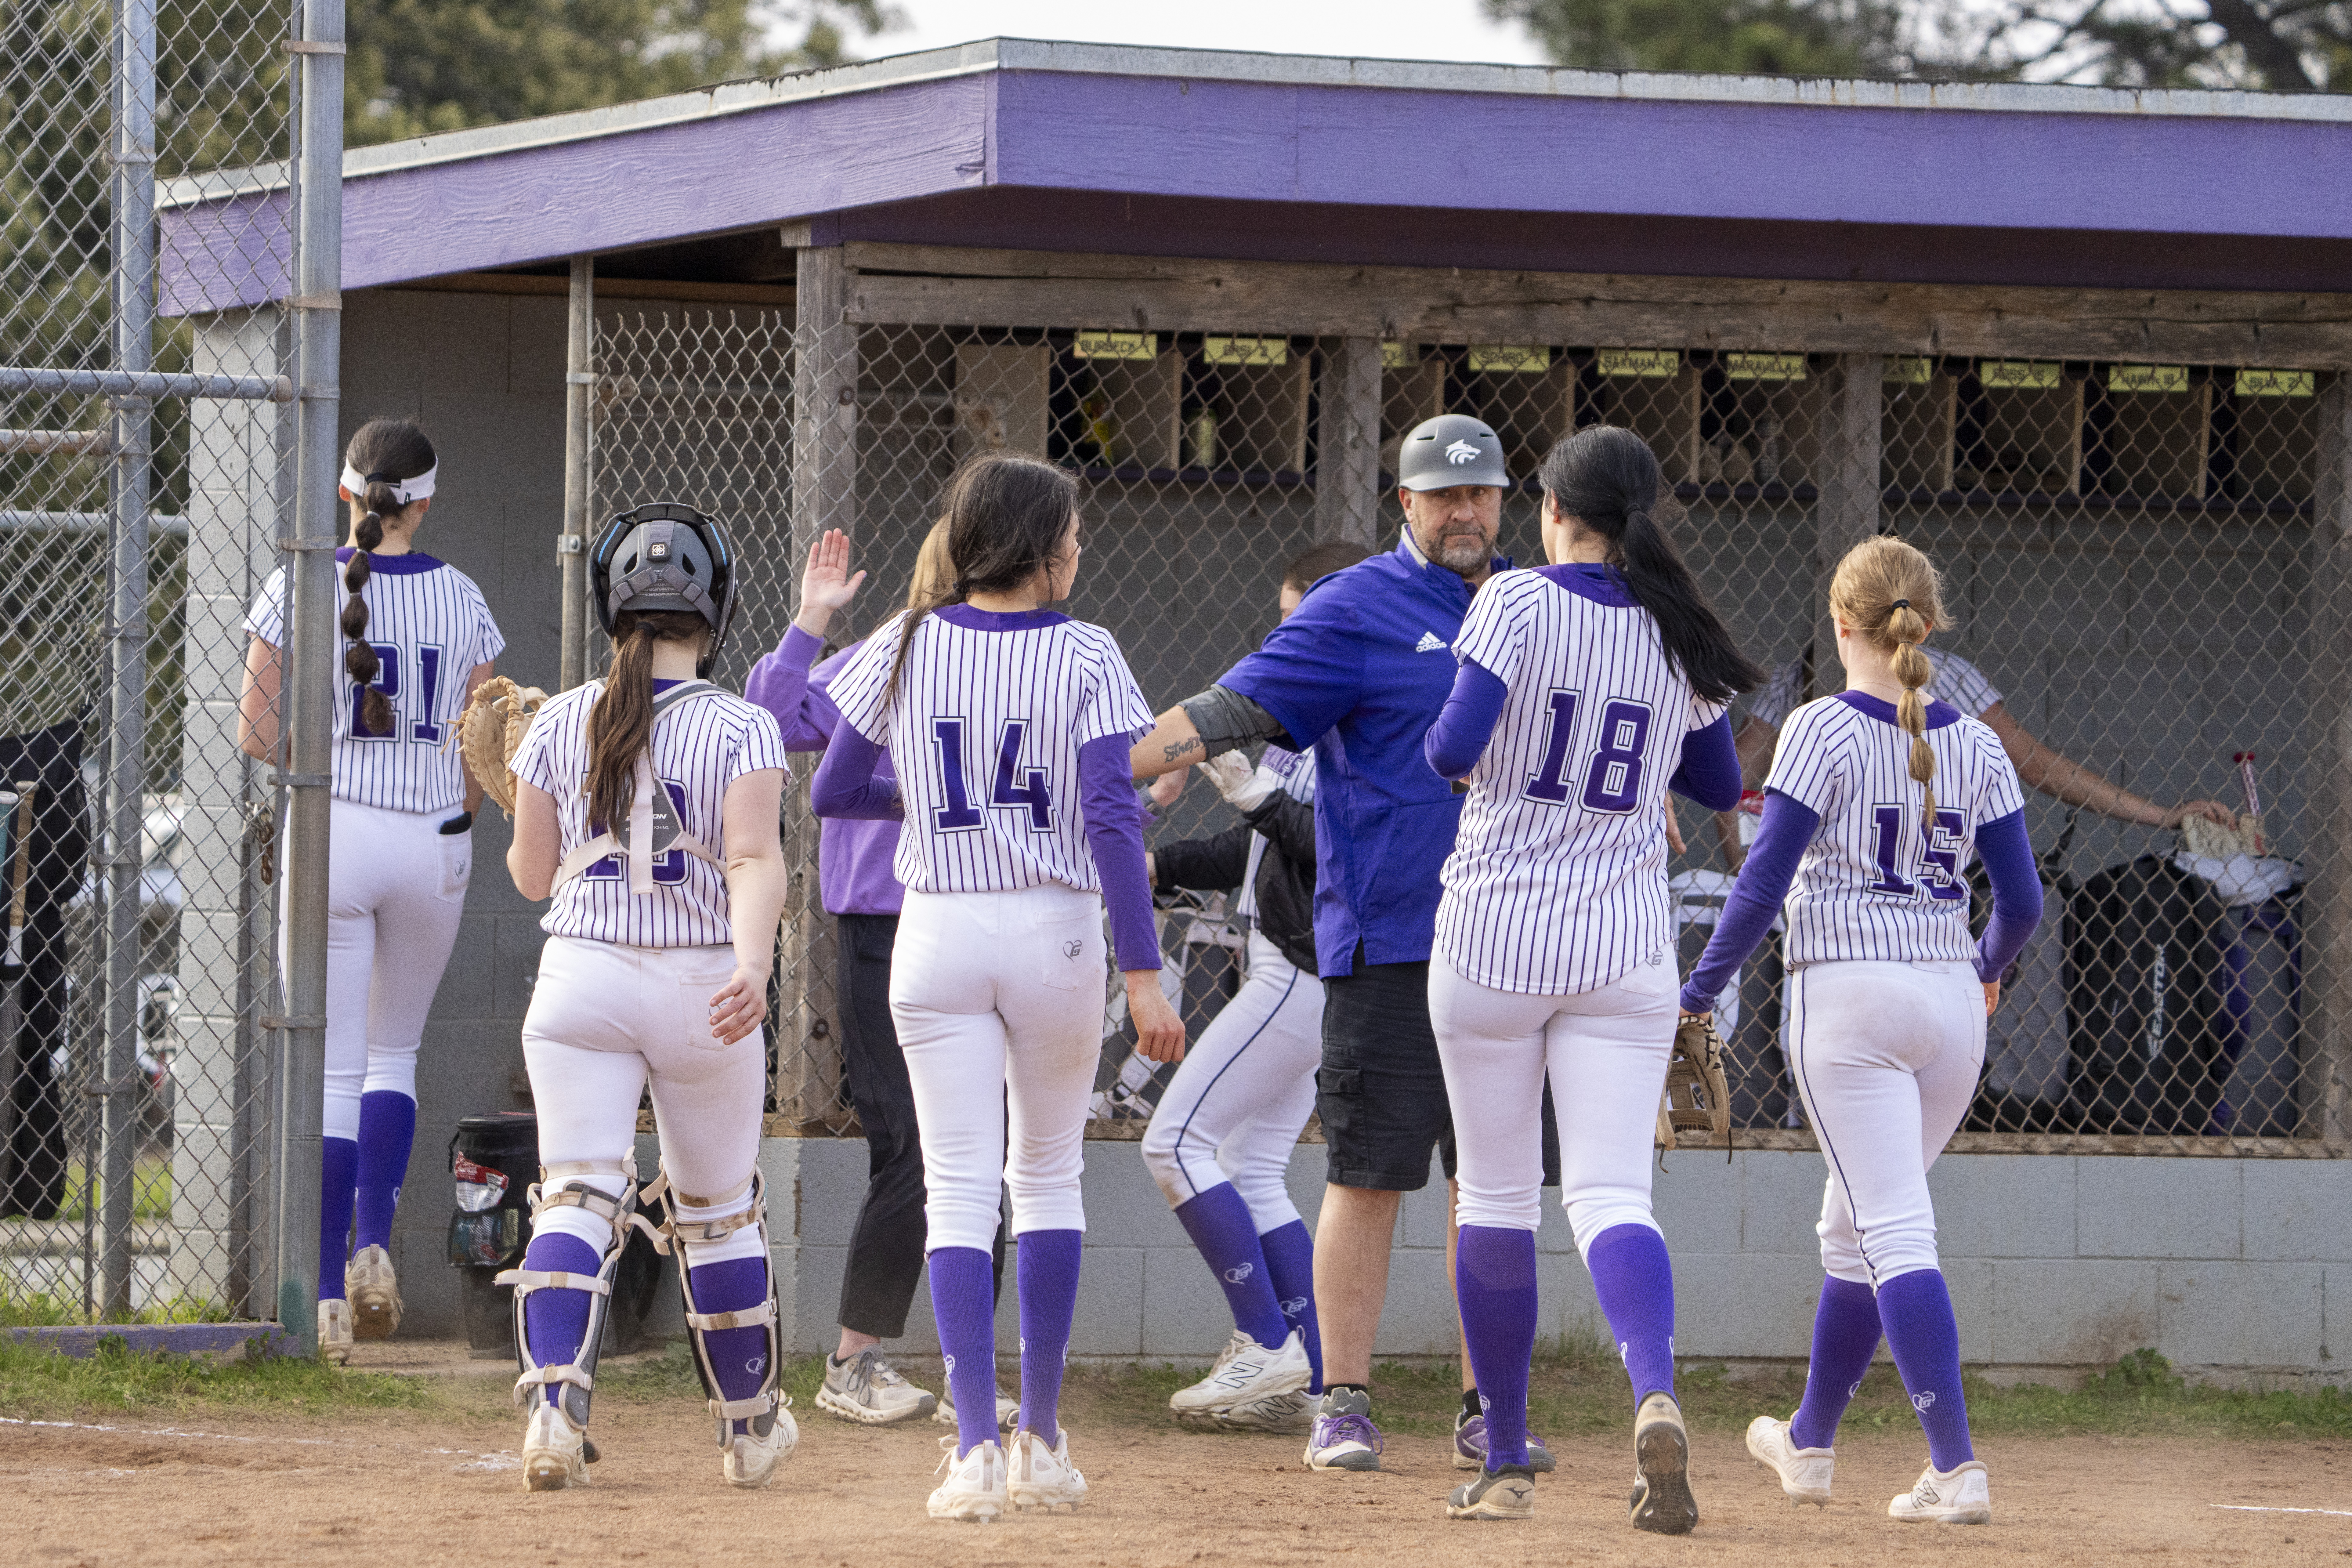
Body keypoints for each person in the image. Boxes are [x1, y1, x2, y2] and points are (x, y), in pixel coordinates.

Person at [1127, 414, 1561, 1476]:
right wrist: (1129, 762)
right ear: (1404, 504)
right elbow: (1241, 700)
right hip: (1388, 938)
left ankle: (1486, 1407)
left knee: (1493, 1187)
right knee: (1366, 1176)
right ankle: (1343, 1399)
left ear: (1506, 501)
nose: (1464, 512)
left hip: (1513, 946)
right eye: (1441, 495)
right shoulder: (1358, 604)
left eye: (1481, 494)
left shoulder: (1534, 603)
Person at [812, 452, 1183, 1521]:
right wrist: (1148, 972)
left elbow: (836, 785)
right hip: (1051, 928)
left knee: (960, 1188)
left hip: (937, 927)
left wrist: (933, 803)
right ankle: (1044, 1438)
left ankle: (973, 1446)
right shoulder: (1086, 651)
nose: (1079, 546)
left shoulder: (910, 633)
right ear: (1035, 544)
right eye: (1069, 530)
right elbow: (1114, 818)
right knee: (1049, 1177)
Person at [1420, 425, 1755, 1530]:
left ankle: (1506, 1454)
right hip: (1620, 942)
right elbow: (1712, 775)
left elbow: (1451, 751)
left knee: (1500, 1194)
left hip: (1495, 934)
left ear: (1554, 506)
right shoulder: (1672, 625)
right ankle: (1651, 1386)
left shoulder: (1514, 600)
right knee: (1613, 1192)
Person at [1680, 536, 2044, 1528]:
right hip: (1945, 1003)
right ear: (1928, 623)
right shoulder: (1974, 742)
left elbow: (1759, 883)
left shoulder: (1818, 727)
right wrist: (1983, 970)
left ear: (1843, 624)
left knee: (1889, 1227)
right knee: (1853, 1228)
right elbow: (2020, 901)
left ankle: (1955, 1465)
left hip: (1848, 999)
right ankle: (1807, 1444)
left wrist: (1697, 991)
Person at [500, 502, 794, 1492]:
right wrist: (751, 968)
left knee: (577, 1192)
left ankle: (552, 1410)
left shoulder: (555, 719)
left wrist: (517, 803)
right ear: (715, 606)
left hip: (580, 978)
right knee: (715, 1211)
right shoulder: (742, 723)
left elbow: (532, 878)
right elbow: (755, 858)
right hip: (701, 979)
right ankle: (748, 1429)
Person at [237, 418, 502, 1362]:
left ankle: (322, 1298)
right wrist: (447, 808)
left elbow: (260, 735)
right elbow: (485, 743)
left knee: (331, 1068)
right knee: (395, 1056)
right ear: (422, 503)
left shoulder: (299, 576)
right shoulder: (461, 594)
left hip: (336, 829)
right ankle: (374, 1247)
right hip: (433, 839)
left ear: (348, 495)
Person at [742, 521, 1016, 1432]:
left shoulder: (1021, 664)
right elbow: (771, 722)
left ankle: (967, 1366)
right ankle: (855, 1360)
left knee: (988, 1153)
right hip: (886, 928)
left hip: (984, 920)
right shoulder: (883, 657)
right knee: (911, 1144)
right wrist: (810, 624)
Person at [1138, 539, 1372, 1433]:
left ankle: (1261, 1337)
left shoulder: (1357, 721)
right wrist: (1160, 863)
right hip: (1297, 967)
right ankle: (1310, 1369)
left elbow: (1328, 845)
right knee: (1255, 1168)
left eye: (1299, 620)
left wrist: (1255, 798)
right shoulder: (1305, 726)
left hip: (1299, 969)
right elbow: (1258, 847)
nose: (1289, 639)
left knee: (1175, 1143)